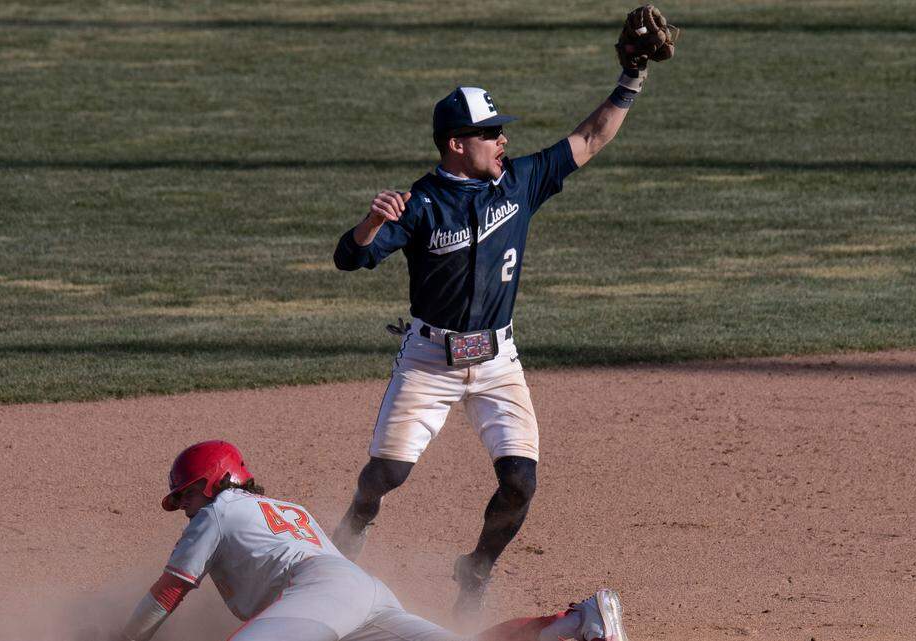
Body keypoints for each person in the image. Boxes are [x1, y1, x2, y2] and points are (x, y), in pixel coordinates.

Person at [330, 6, 676, 613]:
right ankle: (353, 528)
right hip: (429, 362)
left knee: (520, 481)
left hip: (498, 361)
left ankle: (476, 570)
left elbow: (590, 139)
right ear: (458, 144)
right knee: (387, 475)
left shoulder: (519, 183)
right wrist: (370, 223)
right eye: (491, 133)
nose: (503, 140)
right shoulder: (420, 204)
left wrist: (631, 81)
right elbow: (349, 260)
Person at [115, 440, 630, 641]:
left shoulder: (218, 511)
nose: (182, 508)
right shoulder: (286, 510)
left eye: (184, 496)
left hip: (320, 594)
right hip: (365, 595)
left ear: (212, 483)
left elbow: (169, 592)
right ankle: (576, 621)